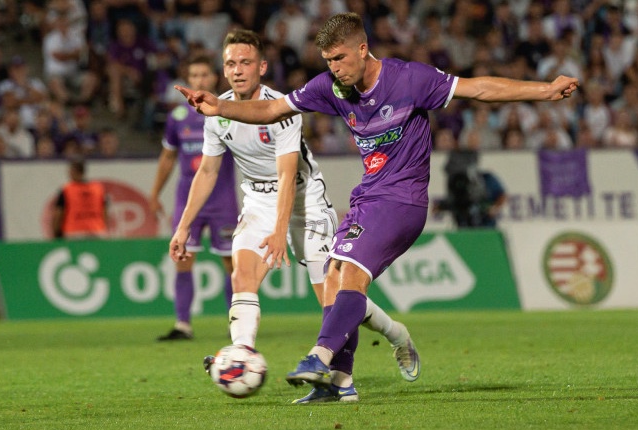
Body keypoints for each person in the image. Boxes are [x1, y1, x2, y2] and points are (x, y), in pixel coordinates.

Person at [175, 12, 579, 399]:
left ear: (363, 49)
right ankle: (344, 381)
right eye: (328, 61)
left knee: (348, 275)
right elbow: (271, 109)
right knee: (335, 281)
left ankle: (319, 357)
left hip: (403, 198)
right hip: (367, 196)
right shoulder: (331, 88)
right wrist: (219, 107)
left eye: (339, 59)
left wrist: (543, 90)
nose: (334, 69)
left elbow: (480, 88)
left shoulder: (410, 78)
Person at [170, 29, 417, 404]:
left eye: (245, 63)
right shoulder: (216, 112)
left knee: (333, 300)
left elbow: (287, 175)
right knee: (243, 275)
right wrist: (183, 226)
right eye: (230, 64)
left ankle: (390, 338)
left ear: (262, 67)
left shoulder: (282, 109)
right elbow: (206, 172)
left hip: (306, 202)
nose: (237, 71)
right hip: (256, 202)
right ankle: (242, 354)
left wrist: (281, 230)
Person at [150, 55, 239, 341]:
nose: (199, 80)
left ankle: (236, 323)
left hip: (222, 200)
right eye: (194, 75)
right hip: (186, 200)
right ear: (188, 80)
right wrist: (154, 193)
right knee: (183, 258)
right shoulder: (177, 118)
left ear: (214, 78)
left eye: (204, 74)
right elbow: (167, 157)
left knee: (231, 264)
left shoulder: (228, 112)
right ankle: (182, 325)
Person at [433, 150, 507, 228]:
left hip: (486, 227)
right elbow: (453, 202)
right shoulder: (456, 184)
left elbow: (502, 194)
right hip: (464, 229)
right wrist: (440, 206)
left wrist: (494, 208)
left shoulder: (486, 178)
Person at [52, 158, 109, 239]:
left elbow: (59, 213)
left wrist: (56, 233)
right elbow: (105, 212)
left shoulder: (67, 190)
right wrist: (104, 229)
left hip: (73, 232)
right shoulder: (98, 189)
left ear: (74, 171)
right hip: (97, 231)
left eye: (70, 170)